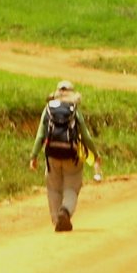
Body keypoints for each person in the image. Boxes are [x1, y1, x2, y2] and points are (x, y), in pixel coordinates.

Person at [29, 80, 101, 232]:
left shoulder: (48, 109)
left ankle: (57, 220)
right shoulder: (74, 109)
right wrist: (95, 154)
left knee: (53, 189)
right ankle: (65, 211)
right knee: (71, 188)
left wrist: (33, 156)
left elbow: (40, 135)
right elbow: (86, 136)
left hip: (52, 156)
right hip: (72, 156)